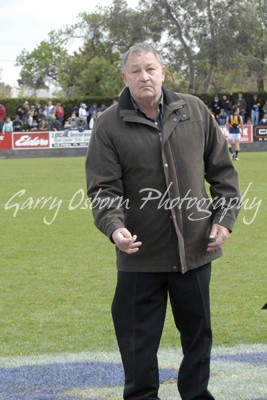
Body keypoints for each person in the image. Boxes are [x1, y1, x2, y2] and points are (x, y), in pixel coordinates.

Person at [85, 43, 240, 400]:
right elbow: (103, 188)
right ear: (124, 78)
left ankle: (197, 396)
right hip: (140, 255)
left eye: (150, 68)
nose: (144, 76)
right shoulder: (108, 124)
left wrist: (225, 219)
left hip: (196, 252)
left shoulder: (196, 111)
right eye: (136, 70)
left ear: (163, 72)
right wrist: (114, 226)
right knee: (137, 345)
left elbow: (224, 175)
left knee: (199, 337)